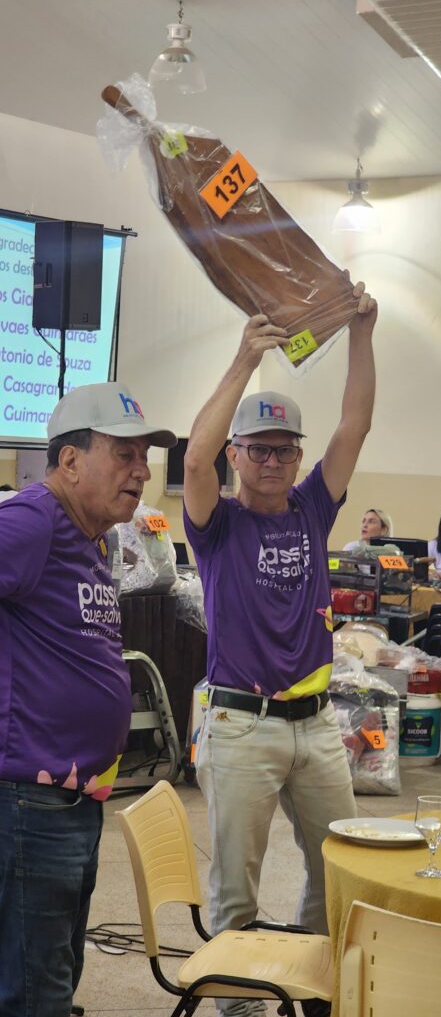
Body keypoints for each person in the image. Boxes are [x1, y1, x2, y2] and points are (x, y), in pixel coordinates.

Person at [183, 283, 377, 1017]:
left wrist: (361, 331)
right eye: (257, 449)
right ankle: (241, 1006)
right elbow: (193, 462)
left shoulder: (311, 507)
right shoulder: (216, 524)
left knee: (339, 869)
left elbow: (353, 425)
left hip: (316, 724)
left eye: (283, 449)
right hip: (241, 726)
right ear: (238, 454)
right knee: (236, 883)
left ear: (297, 457)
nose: (271, 461)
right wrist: (243, 358)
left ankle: (312, 986)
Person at [0, 381, 176, 1017]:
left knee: (56, 974)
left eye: (144, 457)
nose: (141, 471)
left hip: (74, 797)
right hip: (28, 802)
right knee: (33, 991)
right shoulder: (31, 519)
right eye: (124, 454)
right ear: (70, 461)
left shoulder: (96, 536)